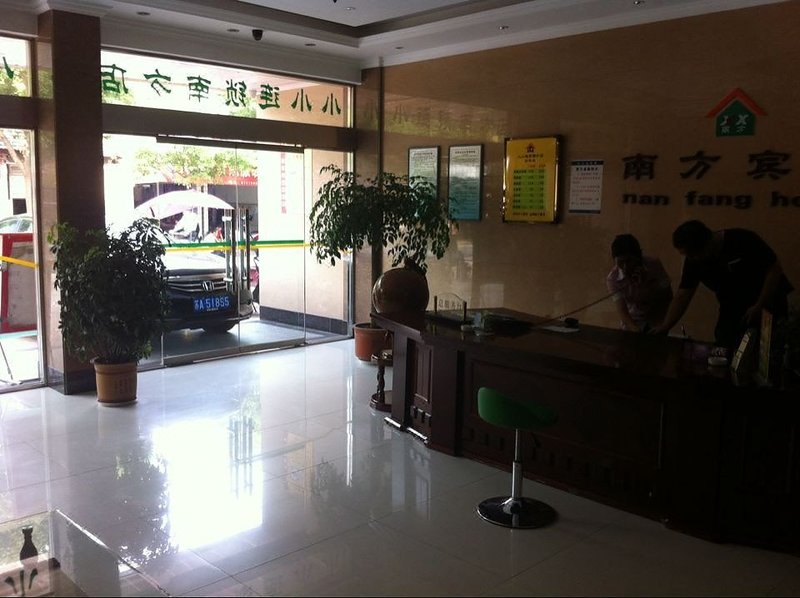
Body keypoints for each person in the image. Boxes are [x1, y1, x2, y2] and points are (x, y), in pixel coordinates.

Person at [651, 220, 794, 350]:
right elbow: (683, 295)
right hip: (732, 305)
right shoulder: (694, 260)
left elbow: (774, 269)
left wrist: (760, 304)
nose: (692, 258)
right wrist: (666, 326)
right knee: (725, 345)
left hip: (768, 301)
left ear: (707, 243)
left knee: (768, 350)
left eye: (693, 254)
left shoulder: (742, 240)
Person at [605, 234, 673, 333]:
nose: (625, 267)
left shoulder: (654, 265)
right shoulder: (613, 279)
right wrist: (636, 330)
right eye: (620, 262)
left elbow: (668, 295)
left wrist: (647, 285)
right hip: (632, 323)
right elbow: (622, 311)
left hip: (657, 322)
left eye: (629, 261)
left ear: (638, 257)